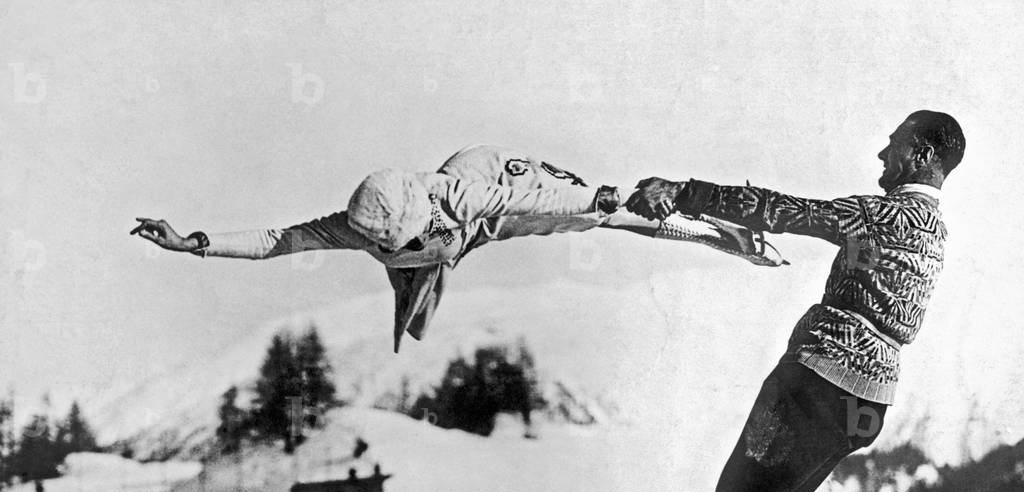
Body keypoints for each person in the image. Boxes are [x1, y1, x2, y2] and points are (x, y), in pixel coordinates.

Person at [626, 110, 965, 492]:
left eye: (894, 145)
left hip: (821, 375)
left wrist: (685, 193)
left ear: (920, 156)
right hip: (871, 399)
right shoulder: (935, 229)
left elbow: (788, 210)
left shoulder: (882, 212)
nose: (882, 154)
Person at [132, 145, 783, 352]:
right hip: (446, 249)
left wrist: (599, 200)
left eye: (396, 240)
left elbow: (535, 206)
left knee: (614, 220)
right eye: (380, 245)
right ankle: (419, 281)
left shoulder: (458, 195)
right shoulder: (353, 226)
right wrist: (195, 244)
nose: (383, 245)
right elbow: (279, 240)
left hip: (498, 196)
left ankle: (725, 237)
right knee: (416, 291)